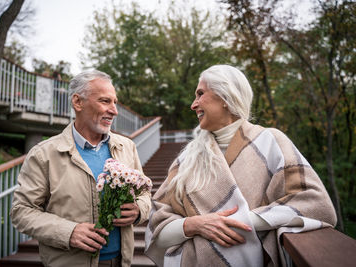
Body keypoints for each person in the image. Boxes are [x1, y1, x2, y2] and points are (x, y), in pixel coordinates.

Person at [144, 65, 337, 267]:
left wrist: (240, 222)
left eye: (200, 94)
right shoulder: (185, 160)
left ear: (225, 96)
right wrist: (193, 225)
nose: (193, 104)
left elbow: (315, 202)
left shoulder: (270, 142)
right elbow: (157, 228)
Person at [11, 70, 151, 267]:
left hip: (120, 262)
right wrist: (69, 232)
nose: (114, 110)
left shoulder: (127, 147)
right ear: (78, 102)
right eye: (105, 101)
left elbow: (144, 193)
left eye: (115, 102)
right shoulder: (43, 154)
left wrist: (138, 210)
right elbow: (21, 212)